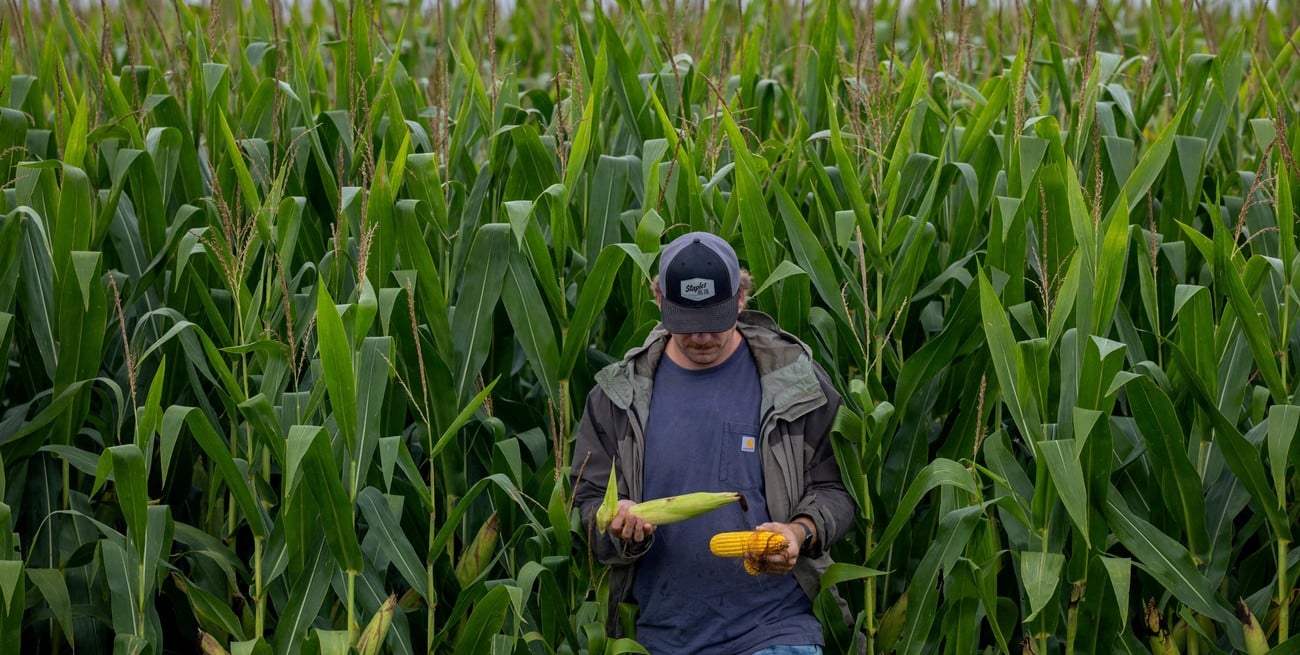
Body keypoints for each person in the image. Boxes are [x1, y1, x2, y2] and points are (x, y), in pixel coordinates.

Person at [570, 231, 856, 655]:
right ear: (659, 299)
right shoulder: (616, 399)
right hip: (659, 636)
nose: (701, 337)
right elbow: (587, 501)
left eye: (714, 321)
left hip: (775, 629)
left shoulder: (796, 384)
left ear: (741, 298)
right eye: (687, 324)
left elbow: (837, 489)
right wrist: (617, 525)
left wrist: (799, 532)